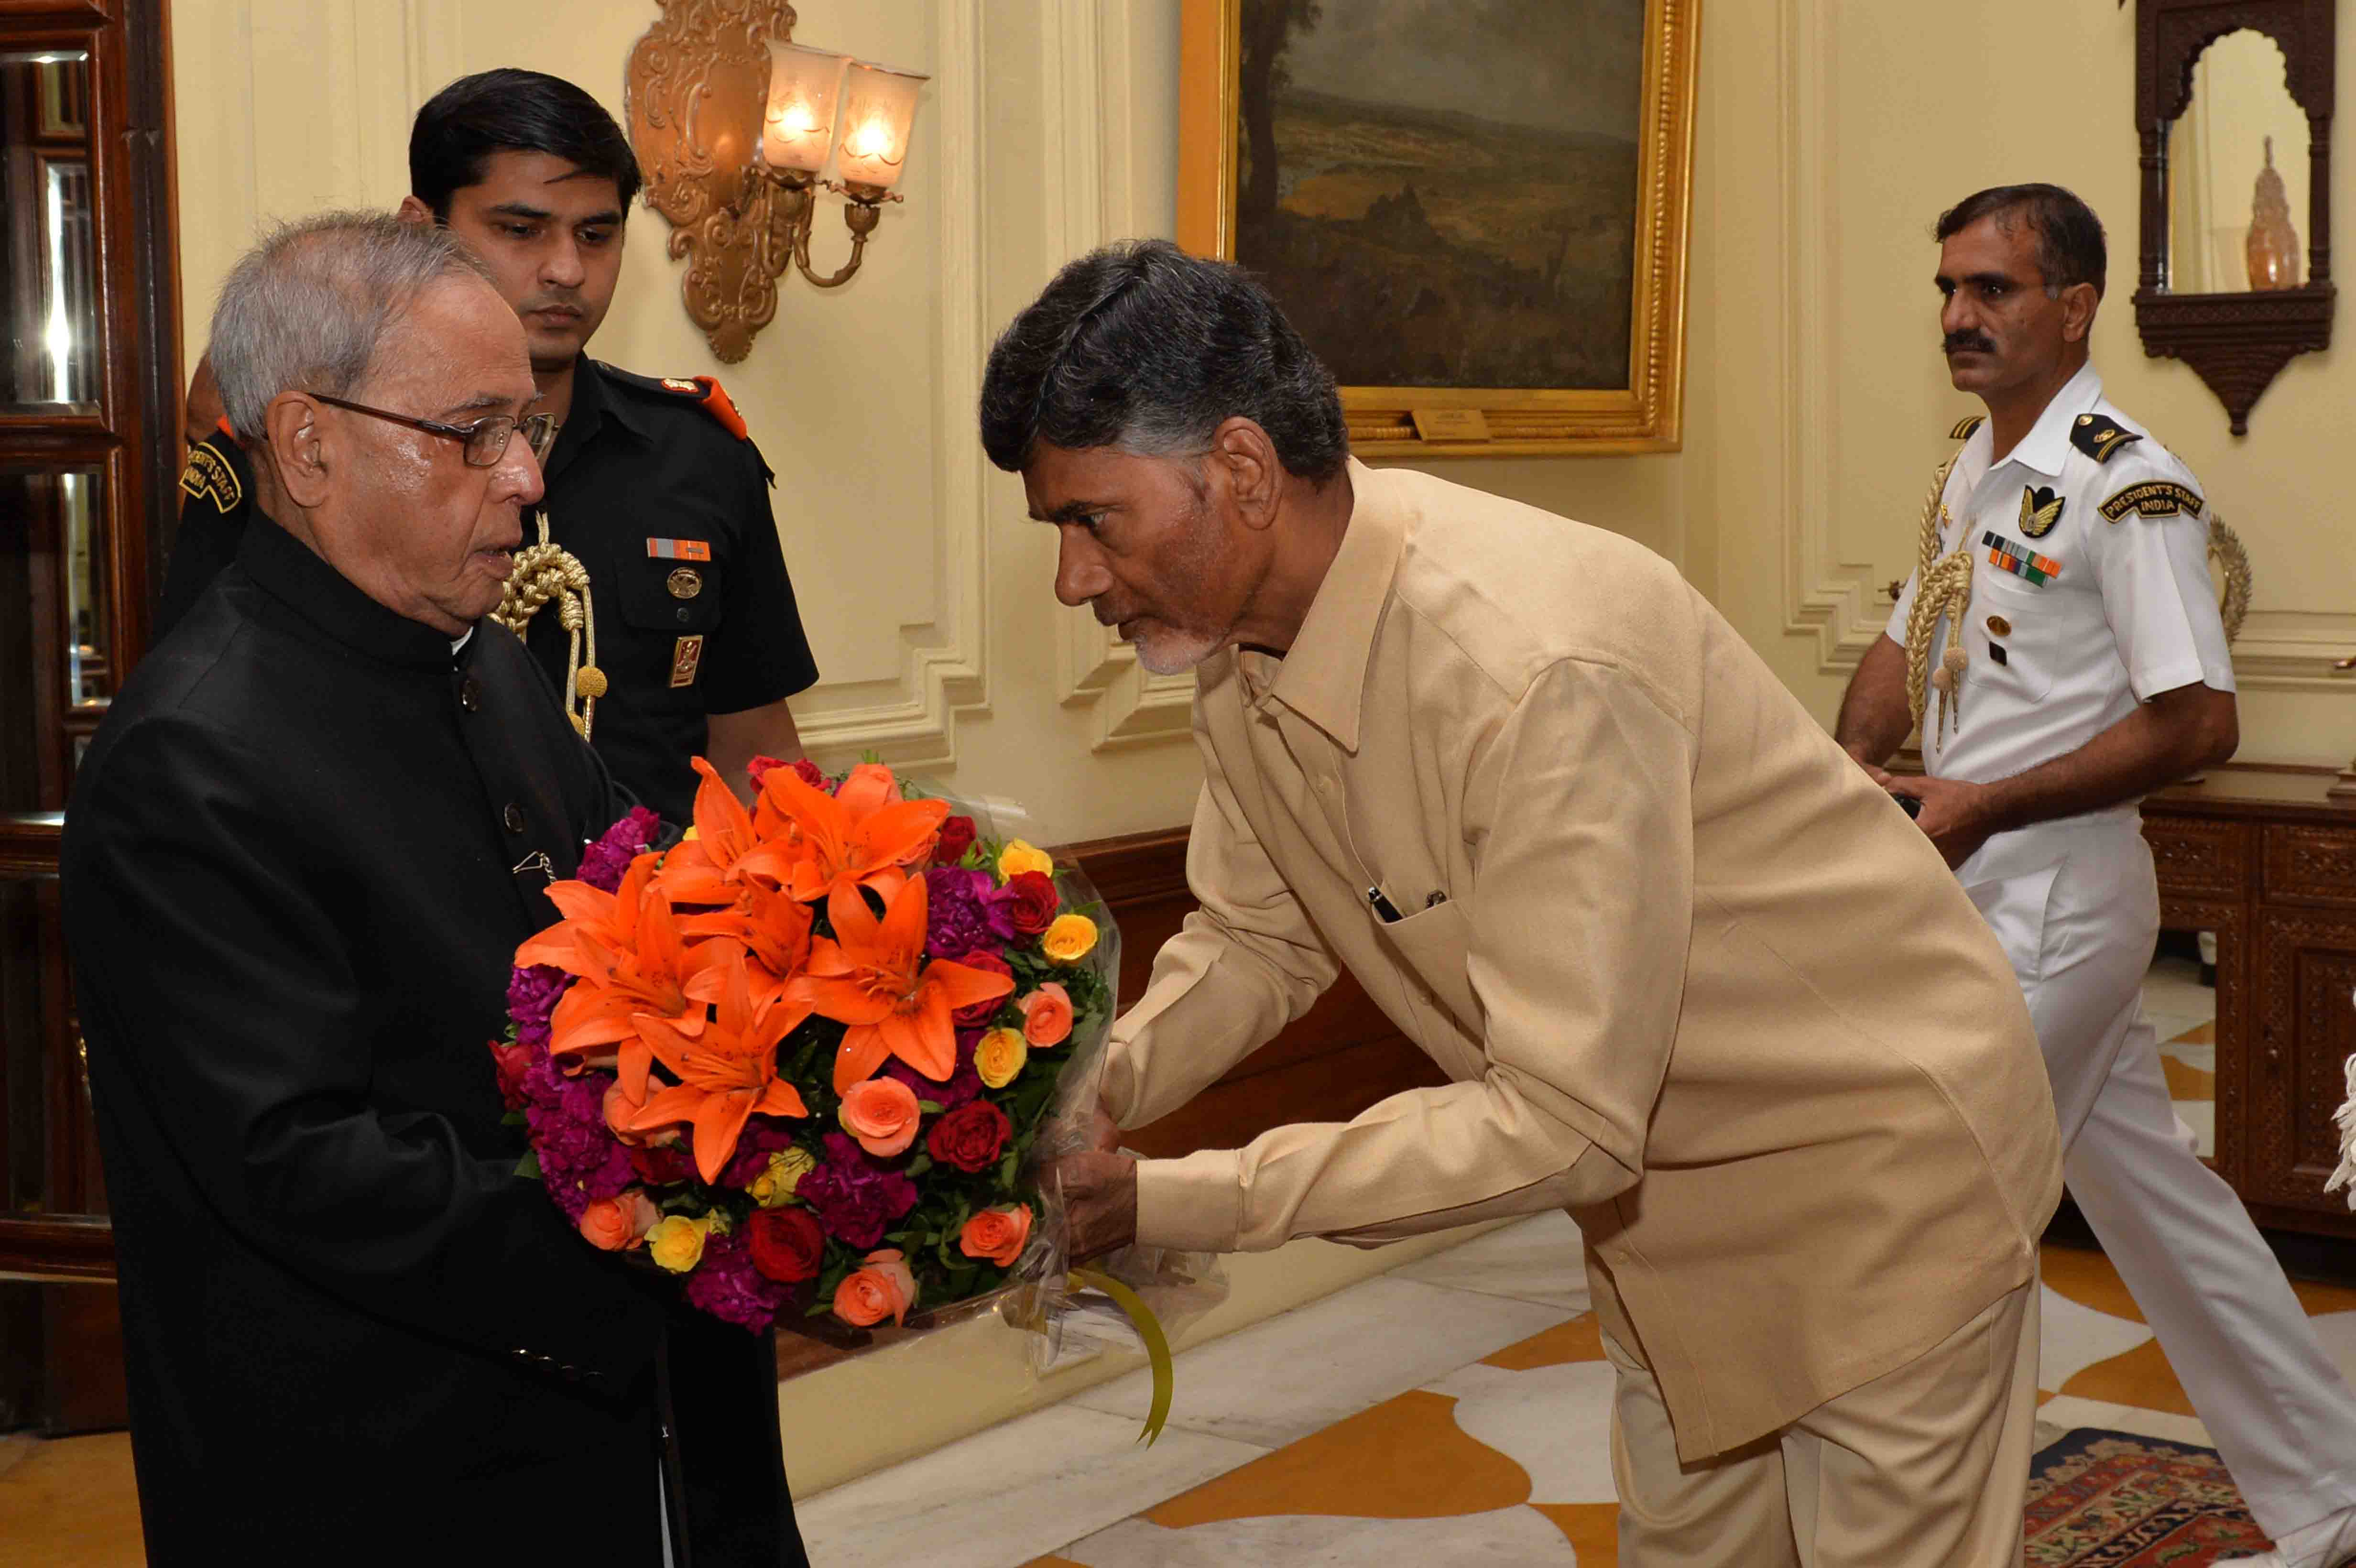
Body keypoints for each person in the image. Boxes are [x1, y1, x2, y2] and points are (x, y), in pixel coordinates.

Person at [993, 240, 2063, 1566]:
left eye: (1090, 521)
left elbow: (1566, 1122)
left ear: (1243, 472)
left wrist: (1169, 1202)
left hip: (1875, 1189)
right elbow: (1259, 935)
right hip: (1664, 1230)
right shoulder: (1237, 658)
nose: (1073, 581)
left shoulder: (1533, 657)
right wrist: (1085, 1087)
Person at [65, 214, 807, 1565]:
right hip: (385, 1470)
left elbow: (629, 909)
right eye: (473, 432)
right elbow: (308, 1166)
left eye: (525, 426)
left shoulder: (477, 653)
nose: (527, 478)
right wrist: (680, 1223)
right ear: (306, 442)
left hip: (597, 1418)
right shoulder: (191, 760)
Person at [1835, 183, 2356, 1568]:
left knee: (1946, 1224)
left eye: (1992, 291)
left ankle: (1940, 1536)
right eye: (1948, 289)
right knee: (2169, 1218)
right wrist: (1839, 767)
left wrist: (1983, 799)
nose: (1958, 316)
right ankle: (2335, 1492)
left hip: (2057, 911)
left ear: (2073, 309)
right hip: (1964, 899)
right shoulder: (1974, 461)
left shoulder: (2133, 484)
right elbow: (1910, 634)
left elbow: (2201, 718)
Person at [162, 68, 818, 823]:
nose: (566, 270)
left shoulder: (697, 453)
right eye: (520, 229)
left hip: (657, 911)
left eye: (596, 235)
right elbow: (213, 705)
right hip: (410, 904)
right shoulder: (318, 449)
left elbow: (755, 753)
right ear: (420, 227)